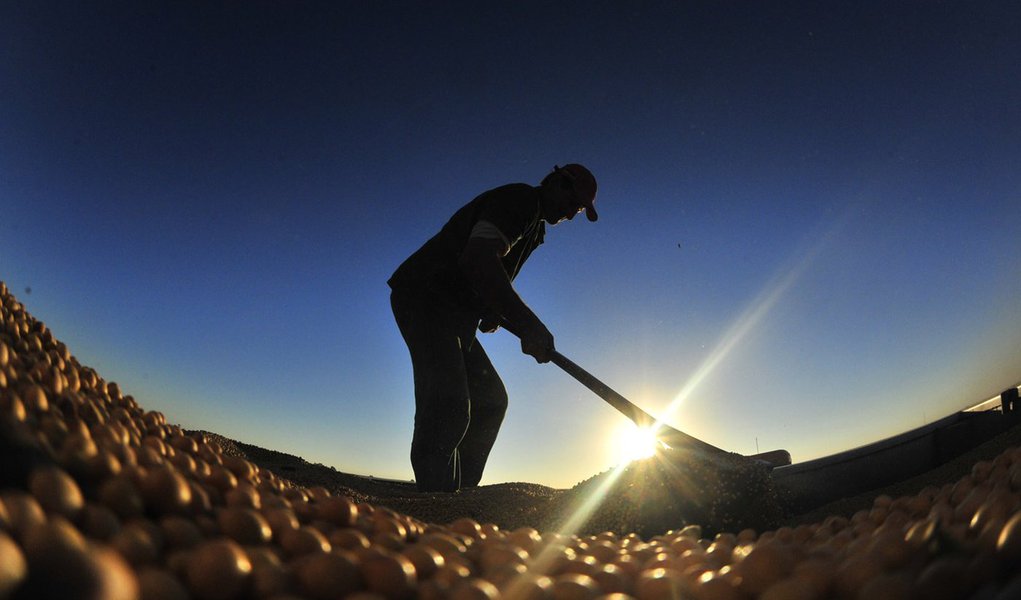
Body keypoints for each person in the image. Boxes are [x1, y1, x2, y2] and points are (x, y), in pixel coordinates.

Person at [388, 164, 598, 492]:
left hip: (457, 315)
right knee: (449, 406)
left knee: (490, 402)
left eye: (580, 210)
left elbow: (487, 273)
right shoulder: (521, 200)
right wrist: (528, 324)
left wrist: (491, 310)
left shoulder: (535, 229)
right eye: (574, 204)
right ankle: (435, 505)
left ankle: (462, 497)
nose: (572, 214)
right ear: (558, 182)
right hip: (427, 296)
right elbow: (478, 259)